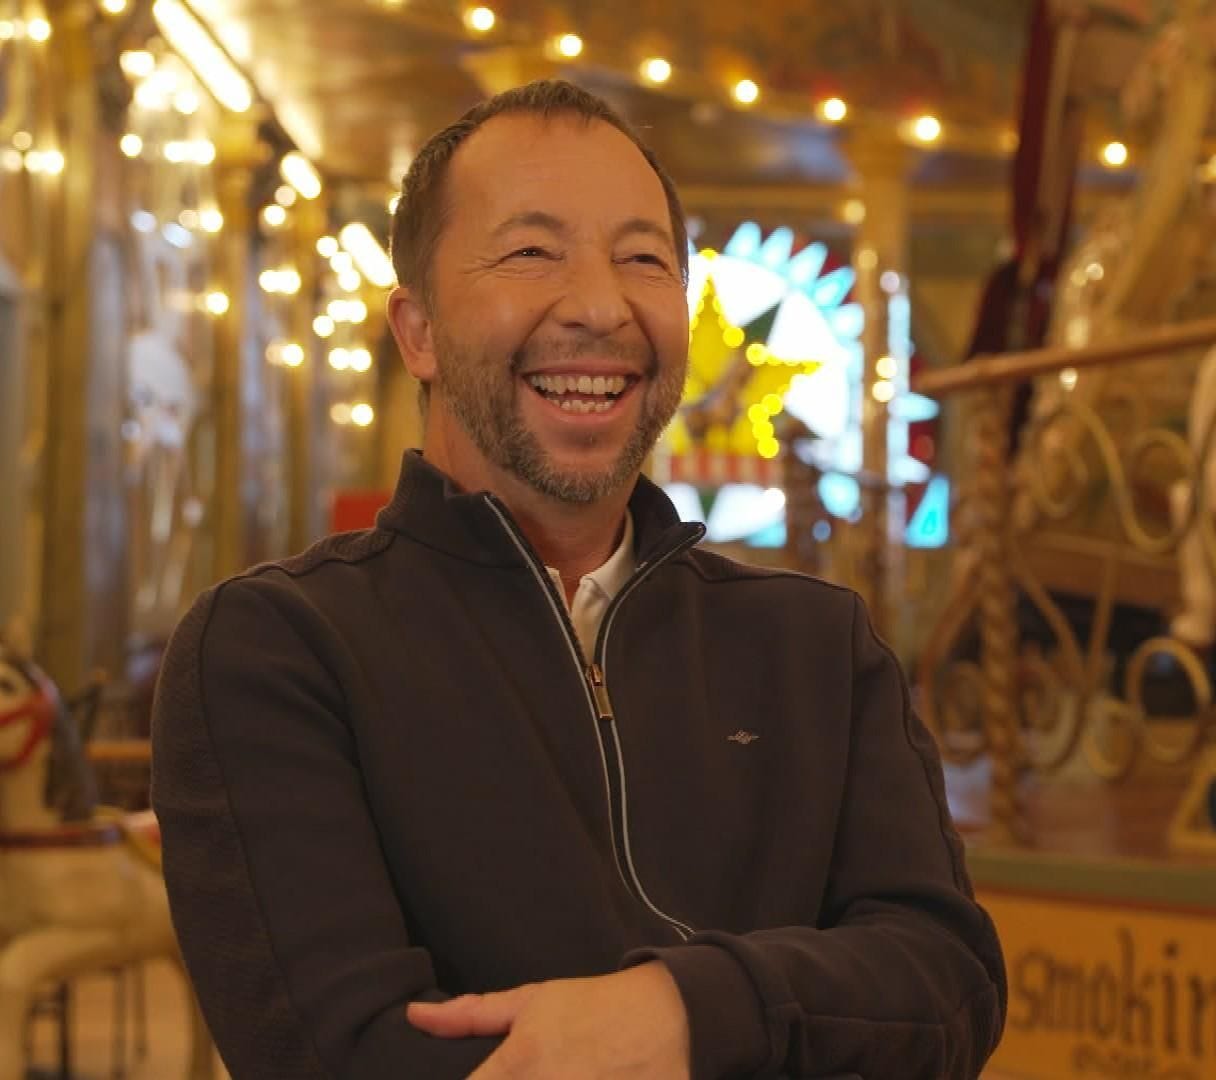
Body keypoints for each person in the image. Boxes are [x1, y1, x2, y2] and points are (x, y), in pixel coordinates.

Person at [150, 79, 1006, 1079]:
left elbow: (946, 987)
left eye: (642, 259)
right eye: (531, 253)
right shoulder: (277, 651)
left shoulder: (816, 645)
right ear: (417, 330)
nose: (600, 308)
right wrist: (799, 1018)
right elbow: (345, 1055)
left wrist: (681, 1014)